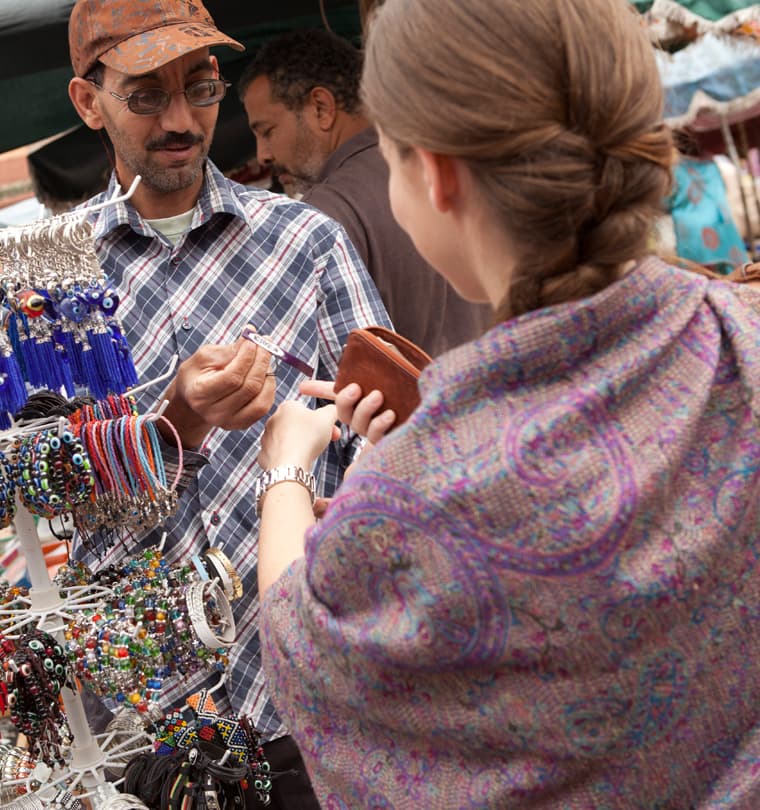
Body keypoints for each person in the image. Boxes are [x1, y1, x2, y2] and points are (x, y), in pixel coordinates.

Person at [254, 0, 760, 807]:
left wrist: (284, 469)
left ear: (438, 173)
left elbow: (303, 654)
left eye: (389, 156)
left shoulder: (407, 502)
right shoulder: (739, 335)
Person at [65, 1, 390, 805]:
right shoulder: (55, 291)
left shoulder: (303, 242)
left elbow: (386, 456)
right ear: (88, 102)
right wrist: (175, 425)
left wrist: (337, 443)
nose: (181, 120)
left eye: (201, 88)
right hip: (158, 721)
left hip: (312, 698)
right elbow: (59, 503)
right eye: (145, 95)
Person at [239, 29, 487, 357]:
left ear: (321, 108)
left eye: (268, 132)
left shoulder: (319, 216)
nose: (262, 155)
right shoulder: (442, 163)